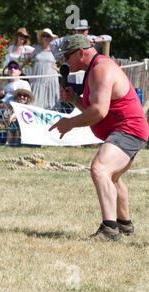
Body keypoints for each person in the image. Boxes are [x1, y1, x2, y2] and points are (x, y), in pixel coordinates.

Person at [49, 34, 149, 241]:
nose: (65, 62)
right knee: (112, 176)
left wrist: (69, 123)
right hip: (128, 130)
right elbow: (92, 108)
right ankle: (125, 225)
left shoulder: (100, 70)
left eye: (67, 57)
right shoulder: (95, 68)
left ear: (81, 52)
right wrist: (75, 99)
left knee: (100, 169)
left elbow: (98, 112)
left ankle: (109, 230)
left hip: (128, 129)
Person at [25, 28, 59, 110]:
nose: (46, 38)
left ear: (51, 38)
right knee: (35, 103)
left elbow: (64, 61)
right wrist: (20, 68)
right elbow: (27, 60)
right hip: (37, 79)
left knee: (51, 103)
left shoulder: (55, 49)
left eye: (48, 36)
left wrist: (58, 69)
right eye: (44, 36)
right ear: (41, 38)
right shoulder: (37, 48)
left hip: (50, 79)